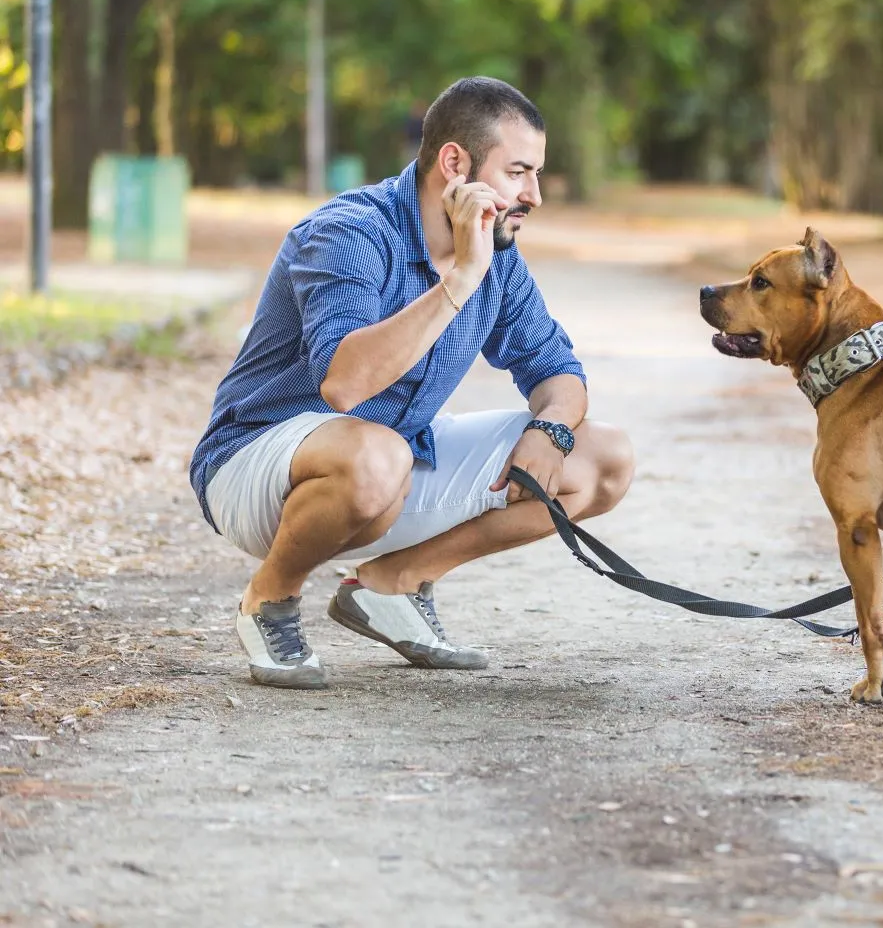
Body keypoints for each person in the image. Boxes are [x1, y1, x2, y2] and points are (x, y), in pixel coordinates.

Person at [188, 77, 634, 689]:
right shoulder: (350, 232)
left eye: (536, 174)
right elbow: (346, 384)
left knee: (601, 458)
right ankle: (270, 599)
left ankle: (392, 586)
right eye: (518, 172)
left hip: (391, 463)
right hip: (257, 467)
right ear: (456, 163)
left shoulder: (497, 259)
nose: (533, 194)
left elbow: (559, 371)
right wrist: (459, 279)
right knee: (377, 456)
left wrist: (552, 429)